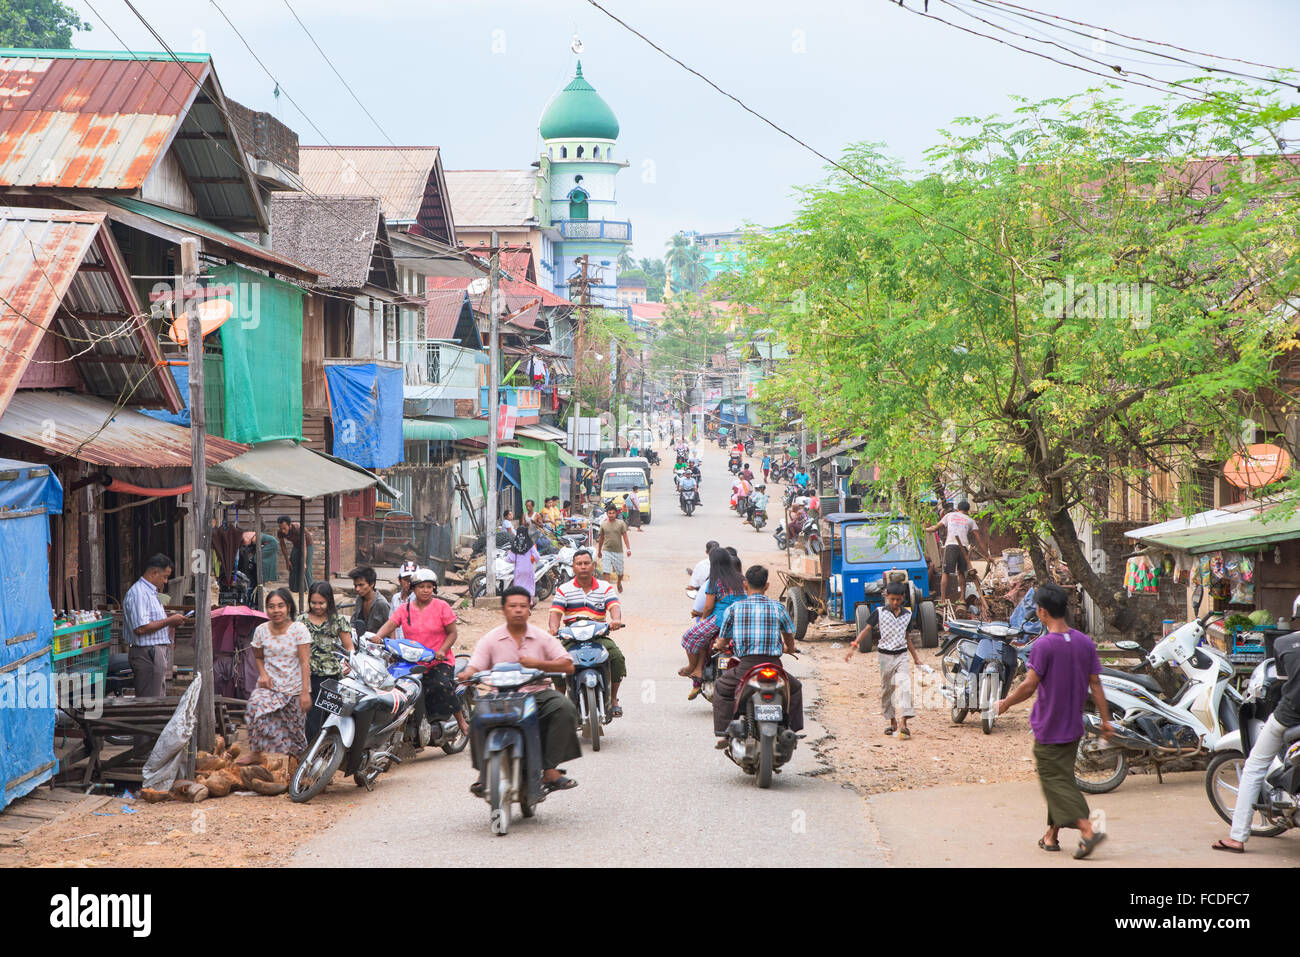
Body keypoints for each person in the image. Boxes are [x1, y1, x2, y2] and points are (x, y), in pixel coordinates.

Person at [996, 582, 1113, 859]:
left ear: (1042, 612)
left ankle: (1087, 828)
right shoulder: (1084, 642)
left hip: (1049, 726)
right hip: (1073, 726)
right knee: (1060, 778)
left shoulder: (1044, 645)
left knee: (1055, 781)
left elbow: (1029, 685)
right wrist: (1106, 721)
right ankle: (1051, 836)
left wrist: (1006, 703)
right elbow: (1096, 684)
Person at [463, 586, 582, 792]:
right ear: (503, 610)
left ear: (529, 609)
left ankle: (550, 770)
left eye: (523, 606)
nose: (518, 610)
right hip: (499, 697)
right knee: (476, 718)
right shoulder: (491, 638)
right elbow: (475, 665)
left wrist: (538, 664)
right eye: (512, 606)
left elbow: (568, 665)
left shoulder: (542, 637)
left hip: (537, 694)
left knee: (564, 708)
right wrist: (467, 674)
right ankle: (484, 772)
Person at [1213, 627, 1300, 853]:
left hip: (1288, 716)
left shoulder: (1283, 643)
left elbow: (1281, 680)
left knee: (1254, 766)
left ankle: (1237, 837)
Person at [711, 565, 804, 744]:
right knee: (795, 688)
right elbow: (788, 637)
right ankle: (792, 729)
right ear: (767, 586)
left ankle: (724, 733)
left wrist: (719, 646)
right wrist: (790, 649)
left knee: (722, 688)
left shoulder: (734, 609)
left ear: (745, 585)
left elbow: (723, 640)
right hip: (774, 666)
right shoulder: (778, 608)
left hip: (746, 667)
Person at [372, 568, 468, 737]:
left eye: (429, 587)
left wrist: (442, 651)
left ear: (434, 589)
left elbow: (453, 633)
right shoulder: (404, 608)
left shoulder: (442, 607)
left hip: (439, 661)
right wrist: (377, 637)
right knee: (396, 688)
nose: (425, 590)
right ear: (413, 589)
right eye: (421, 586)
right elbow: (391, 624)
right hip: (412, 662)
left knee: (441, 684)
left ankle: (460, 720)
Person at [550, 549, 627, 717]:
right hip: (571, 636)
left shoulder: (605, 587)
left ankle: (613, 700)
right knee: (557, 661)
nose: (583, 567)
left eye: (586, 563)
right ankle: (559, 703)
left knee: (616, 657)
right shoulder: (564, 589)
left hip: (597, 634)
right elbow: (555, 613)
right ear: (573, 567)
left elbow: (614, 607)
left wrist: (615, 620)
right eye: (579, 564)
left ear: (593, 566)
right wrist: (553, 628)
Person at [844, 583, 923, 738]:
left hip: (901, 655)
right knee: (888, 689)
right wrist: (853, 646)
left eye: (898, 600)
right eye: (892, 599)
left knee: (905, 686)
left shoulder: (907, 615)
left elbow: (907, 638)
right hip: (884, 656)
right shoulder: (879, 612)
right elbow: (866, 629)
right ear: (886, 597)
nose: (895, 603)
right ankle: (892, 721)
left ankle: (904, 723)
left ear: (903, 598)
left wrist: (916, 659)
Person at [248, 588, 312, 758]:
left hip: (295, 690)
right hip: (271, 688)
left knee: (296, 735)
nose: (276, 610)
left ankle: (303, 770)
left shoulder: (299, 629)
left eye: (280, 606)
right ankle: (257, 755)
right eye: (271, 606)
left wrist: (305, 692)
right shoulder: (261, 630)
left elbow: (305, 662)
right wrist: (263, 674)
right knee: (257, 716)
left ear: (288, 607)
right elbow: (259, 657)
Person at [680, 548, 745, 696]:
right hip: (741, 618)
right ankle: (698, 671)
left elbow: (708, 607)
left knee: (689, 636)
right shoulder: (741, 580)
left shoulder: (715, 581)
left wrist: (703, 619)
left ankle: (691, 666)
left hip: (720, 619)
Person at [123, 554, 186, 697]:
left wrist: (170, 623)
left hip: (153, 652)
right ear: (154, 573)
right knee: (150, 701)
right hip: (147, 653)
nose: (165, 581)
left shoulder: (150, 593)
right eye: (164, 577)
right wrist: (169, 621)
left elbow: (149, 622)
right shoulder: (139, 593)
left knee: (157, 697)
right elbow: (140, 627)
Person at [299, 582, 355, 743]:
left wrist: (348, 663)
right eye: (314, 602)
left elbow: (349, 648)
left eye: (321, 603)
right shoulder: (301, 621)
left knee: (330, 719)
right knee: (311, 721)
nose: (317, 606)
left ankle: (328, 755)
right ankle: (311, 755)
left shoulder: (338, 621)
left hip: (332, 679)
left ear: (329, 601)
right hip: (307, 678)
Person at [925, 500, 987, 604]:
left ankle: (943, 600)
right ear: (968, 511)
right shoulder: (970, 520)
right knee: (961, 573)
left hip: (951, 546)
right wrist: (987, 555)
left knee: (946, 572)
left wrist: (924, 529)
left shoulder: (950, 515)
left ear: (958, 509)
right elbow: (979, 540)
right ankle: (962, 599)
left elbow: (935, 528)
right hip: (963, 547)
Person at [596, 502, 631, 593]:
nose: (611, 515)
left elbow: (625, 536)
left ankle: (619, 582)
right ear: (607, 514)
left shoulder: (621, 523)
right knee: (606, 571)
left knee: (620, 572)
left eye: (613, 513)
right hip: (606, 551)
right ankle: (607, 590)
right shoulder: (603, 525)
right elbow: (601, 539)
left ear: (616, 514)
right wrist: (599, 551)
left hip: (618, 551)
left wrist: (628, 549)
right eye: (609, 513)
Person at [348, 565, 391, 638]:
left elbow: (391, 628)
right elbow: (353, 622)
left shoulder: (381, 603)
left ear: (372, 584)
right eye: (355, 585)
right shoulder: (359, 599)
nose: (357, 589)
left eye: (361, 585)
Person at [276, 515, 313, 593]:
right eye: (280, 528)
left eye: (284, 528)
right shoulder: (280, 532)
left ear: (290, 525)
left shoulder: (298, 529)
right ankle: (294, 589)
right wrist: (287, 561)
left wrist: (304, 562)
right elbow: (282, 545)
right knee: (292, 564)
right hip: (296, 545)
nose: (282, 531)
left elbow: (304, 546)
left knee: (305, 568)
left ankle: (308, 589)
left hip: (307, 545)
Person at [508, 526, 540, 602]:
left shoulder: (515, 544)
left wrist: (506, 559)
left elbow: (510, 558)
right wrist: (536, 561)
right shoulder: (530, 543)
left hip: (518, 570)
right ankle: (530, 602)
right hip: (529, 569)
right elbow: (537, 556)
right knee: (529, 585)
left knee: (518, 586)